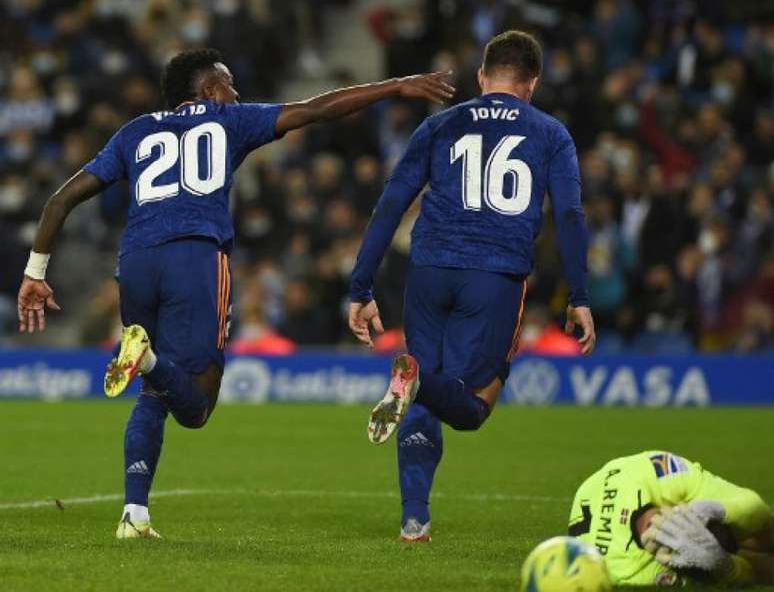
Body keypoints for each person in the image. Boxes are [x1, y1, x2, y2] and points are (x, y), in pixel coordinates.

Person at [16, 48, 454, 539]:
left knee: (154, 398)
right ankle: (149, 361)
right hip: (195, 259)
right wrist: (395, 85)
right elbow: (316, 109)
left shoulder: (133, 132)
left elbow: (61, 200)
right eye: (228, 83)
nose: (236, 92)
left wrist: (36, 272)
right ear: (207, 91)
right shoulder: (228, 120)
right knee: (197, 406)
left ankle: (134, 515)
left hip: (135, 260)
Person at [348, 30, 595, 542]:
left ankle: (414, 518)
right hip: (495, 275)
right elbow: (569, 214)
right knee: (471, 407)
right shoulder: (551, 133)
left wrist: (361, 286)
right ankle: (415, 381)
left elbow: (391, 203)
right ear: (533, 82)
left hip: (430, 269)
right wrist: (579, 296)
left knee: (428, 398)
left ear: (483, 78)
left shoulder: (440, 125)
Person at [568, 451, 774, 586]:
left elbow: (755, 507)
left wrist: (718, 509)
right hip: (599, 494)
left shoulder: (659, 473)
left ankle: (748, 541)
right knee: (751, 565)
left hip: (621, 478)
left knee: (760, 526)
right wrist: (725, 567)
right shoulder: (631, 574)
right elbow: (746, 576)